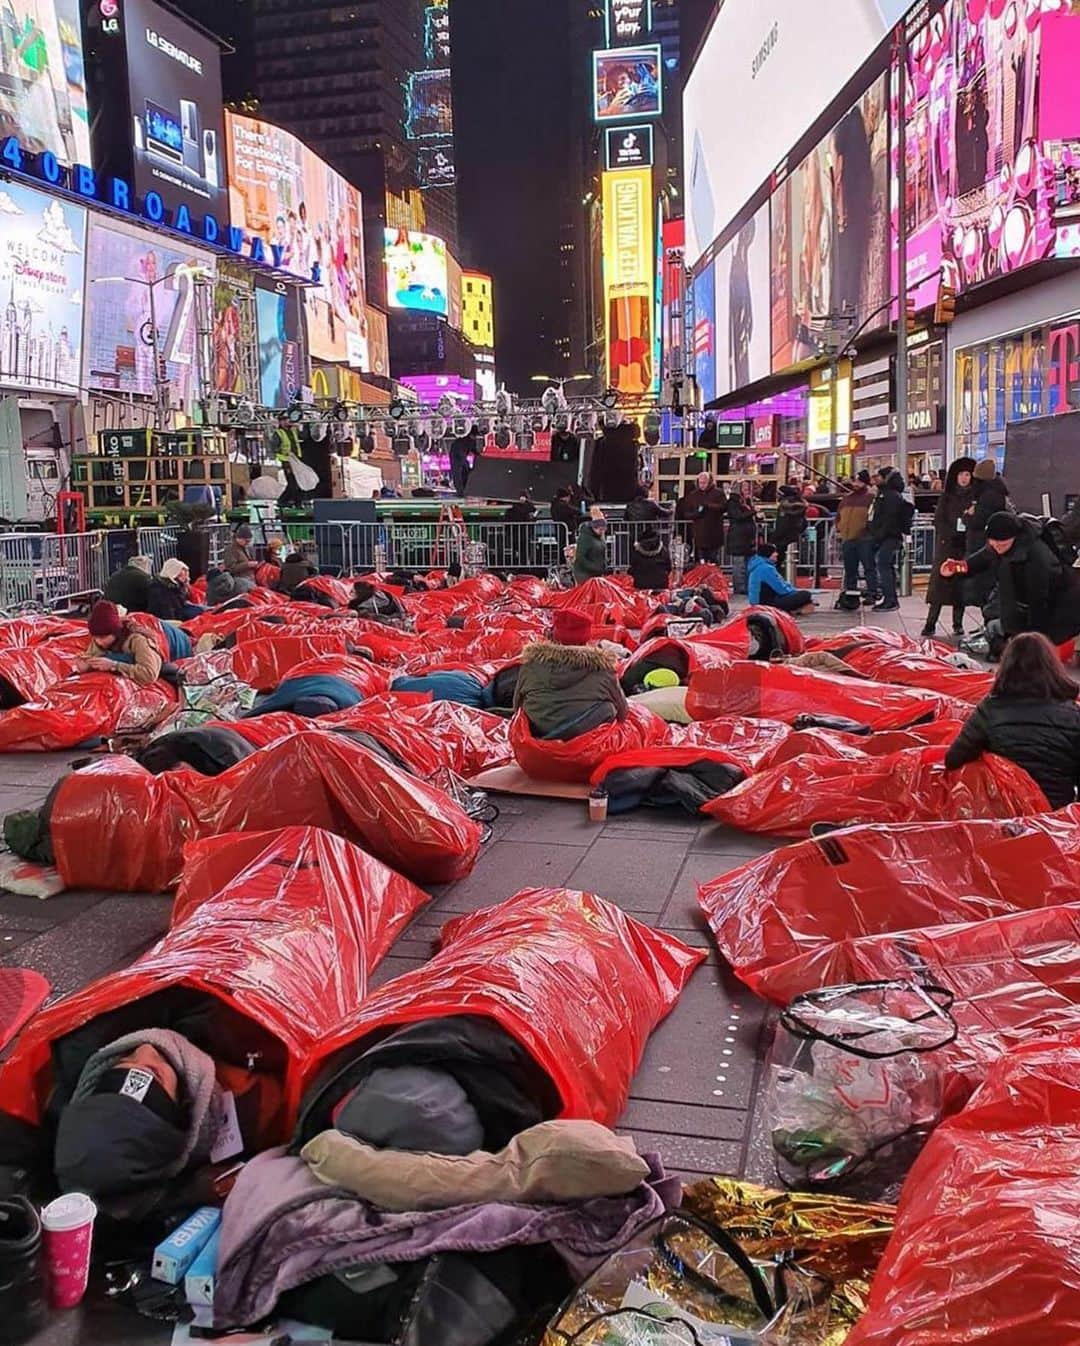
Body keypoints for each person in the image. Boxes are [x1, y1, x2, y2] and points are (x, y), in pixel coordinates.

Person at [944, 632, 1080, 809]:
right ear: (1052, 667)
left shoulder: (990, 709)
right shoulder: (1073, 715)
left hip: (1007, 812)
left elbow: (954, 759)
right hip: (1055, 817)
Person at [944, 513, 1080, 648]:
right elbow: (982, 559)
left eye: (1001, 544)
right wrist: (957, 568)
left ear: (1014, 538)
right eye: (993, 542)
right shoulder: (1002, 543)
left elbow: (1039, 601)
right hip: (1019, 608)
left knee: (1039, 656)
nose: (997, 547)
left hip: (1057, 612)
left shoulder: (1037, 556)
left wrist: (1034, 641)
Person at [512, 608, 628, 741]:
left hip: (538, 736)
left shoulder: (529, 664)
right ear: (587, 637)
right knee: (609, 708)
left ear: (553, 635)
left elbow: (517, 706)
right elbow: (623, 713)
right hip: (584, 740)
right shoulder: (603, 669)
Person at [923, 457, 975, 638]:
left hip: (964, 546)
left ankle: (958, 624)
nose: (964, 478)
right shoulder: (947, 496)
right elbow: (939, 520)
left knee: (960, 588)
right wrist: (948, 534)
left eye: (967, 474)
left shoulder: (975, 498)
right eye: (961, 474)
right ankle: (930, 623)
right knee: (939, 586)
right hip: (947, 546)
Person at [77, 601, 163, 687]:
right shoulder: (98, 640)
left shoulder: (138, 640)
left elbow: (149, 674)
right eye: (95, 637)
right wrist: (85, 666)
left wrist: (114, 665)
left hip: (166, 638)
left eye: (103, 637)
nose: (98, 642)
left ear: (115, 632)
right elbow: (91, 656)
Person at [964, 459, 1012, 609]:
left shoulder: (987, 496)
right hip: (991, 545)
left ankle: (987, 623)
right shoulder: (998, 492)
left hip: (983, 545)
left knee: (984, 588)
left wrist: (967, 515)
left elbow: (977, 521)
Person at [870, 470, 914, 612]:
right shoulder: (888, 495)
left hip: (889, 536)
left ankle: (890, 599)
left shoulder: (890, 496)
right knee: (885, 565)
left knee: (884, 564)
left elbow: (888, 519)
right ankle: (890, 598)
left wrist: (878, 535)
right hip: (889, 536)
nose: (876, 479)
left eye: (879, 476)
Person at [836, 470, 876, 599]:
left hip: (865, 538)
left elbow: (874, 517)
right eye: (855, 481)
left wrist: (869, 530)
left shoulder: (871, 498)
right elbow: (839, 516)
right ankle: (851, 594)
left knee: (868, 567)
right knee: (850, 569)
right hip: (848, 538)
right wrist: (839, 527)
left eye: (859, 481)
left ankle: (872, 593)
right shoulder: (846, 499)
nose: (855, 484)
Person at [747, 543, 815, 614]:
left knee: (801, 596)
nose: (777, 554)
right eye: (774, 552)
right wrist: (795, 593)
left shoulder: (760, 566)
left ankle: (798, 607)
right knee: (806, 595)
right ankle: (797, 609)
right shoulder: (766, 568)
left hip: (760, 601)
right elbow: (781, 589)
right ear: (768, 554)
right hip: (765, 603)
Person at [679, 473, 727, 564]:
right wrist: (697, 514)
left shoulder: (718, 493)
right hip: (699, 534)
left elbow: (724, 507)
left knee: (714, 560)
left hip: (714, 533)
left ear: (709, 482)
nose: (702, 485)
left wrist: (709, 506)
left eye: (704, 483)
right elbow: (686, 513)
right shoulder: (693, 495)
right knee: (701, 561)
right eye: (700, 483)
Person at [726, 482, 759, 594]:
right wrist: (753, 512)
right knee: (739, 566)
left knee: (748, 565)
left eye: (748, 488)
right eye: (744, 488)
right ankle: (739, 588)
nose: (747, 490)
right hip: (738, 537)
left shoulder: (748, 501)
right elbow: (737, 516)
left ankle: (747, 586)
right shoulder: (733, 502)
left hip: (748, 537)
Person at [147, 558, 203, 622]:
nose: (185, 576)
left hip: (178, 613)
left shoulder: (174, 585)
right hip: (168, 619)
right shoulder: (160, 590)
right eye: (181, 574)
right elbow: (167, 613)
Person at [773, 484, 808, 575]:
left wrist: (775, 537)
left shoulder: (784, 508)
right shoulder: (800, 507)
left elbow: (782, 524)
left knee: (778, 561)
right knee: (790, 560)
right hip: (794, 535)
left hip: (782, 537)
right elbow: (804, 523)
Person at [629, 527, 672, 591]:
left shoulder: (637, 551)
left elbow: (632, 567)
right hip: (661, 584)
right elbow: (668, 567)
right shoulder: (663, 550)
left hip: (641, 585)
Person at [572, 510, 608, 584]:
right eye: (600, 529)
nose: (602, 532)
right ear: (594, 527)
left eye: (603, 529)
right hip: (584, 574)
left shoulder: (599, 537)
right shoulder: (585, 538)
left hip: (596, 572)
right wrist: (594, 567)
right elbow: (580, 557)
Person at [223, 525, 259, 593]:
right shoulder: (231, 549)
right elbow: (231, 568)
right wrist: (247, 565)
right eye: (246, 541)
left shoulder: (245, 548)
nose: (248, 543)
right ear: (239, 538)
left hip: (248, 580)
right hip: (240, 583)